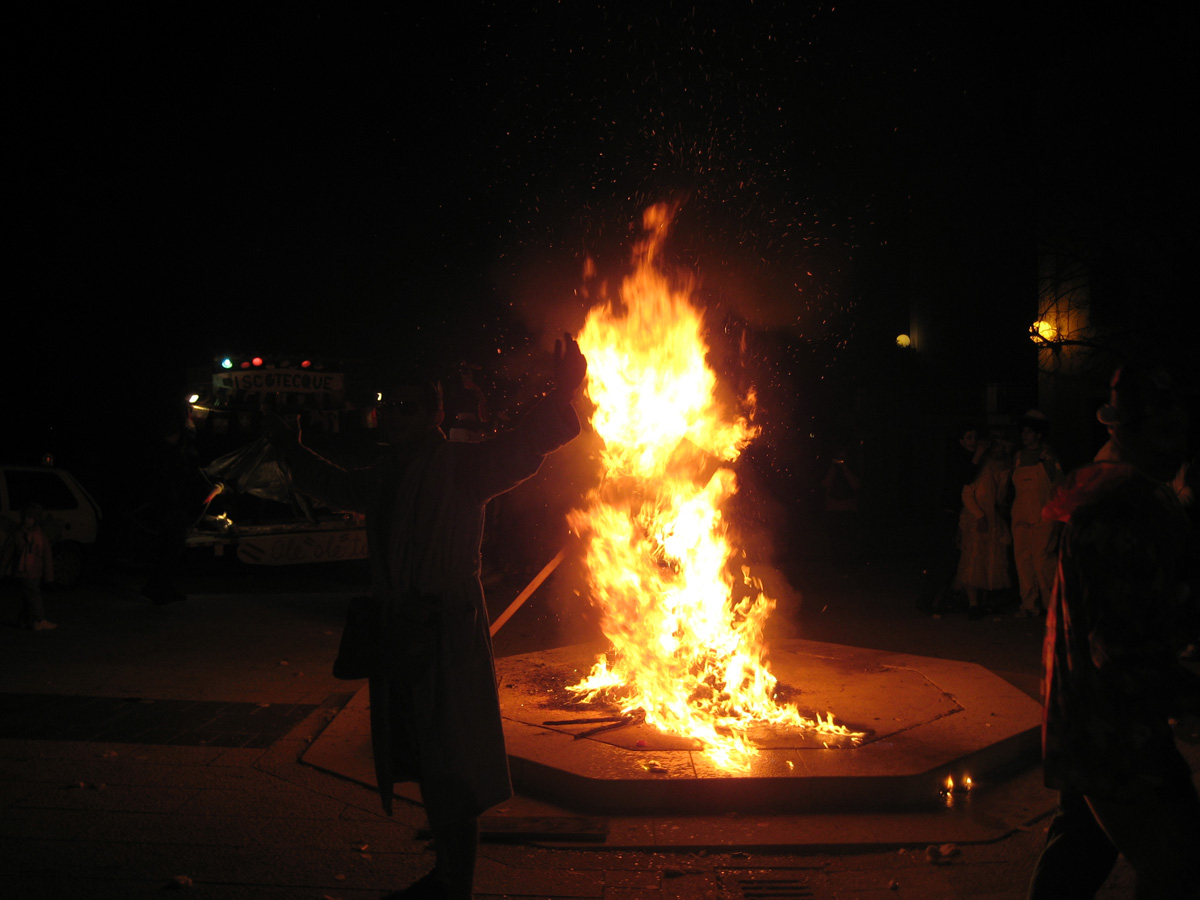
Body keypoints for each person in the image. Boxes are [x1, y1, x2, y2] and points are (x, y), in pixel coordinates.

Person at [267, 335, 587, 900]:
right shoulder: (385, 473)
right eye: (390, 405)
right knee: (420, 753)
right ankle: (443, 872)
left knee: (454, 760)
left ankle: (454, 884)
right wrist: (290, 450)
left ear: (437, 414)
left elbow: (523, 444)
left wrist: (564, 392)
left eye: (410, 406)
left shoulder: (463, 467)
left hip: (446, 631)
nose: (396, 415)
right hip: (399, 631)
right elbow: (334, 484)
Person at [1028, 361, 1200, 899]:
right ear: (1127, 431)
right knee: (1180, 863)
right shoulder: (1120, 512)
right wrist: (1188, 690)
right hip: (1115, 732)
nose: (1178, 444)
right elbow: (1120, 646)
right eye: (1165, 431)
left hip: (1093, 724)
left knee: (1079, 853)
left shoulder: (1132, 498)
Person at [953, 433, 1012, 620]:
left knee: (990, 558)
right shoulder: (981, 467)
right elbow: (967, 493)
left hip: (992, 518)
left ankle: (984, 601)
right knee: (973, 558)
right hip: (976, 518)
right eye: (996, 446)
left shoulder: (1004, 469)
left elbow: (1000, 496)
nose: (998, 450)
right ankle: (973, 603)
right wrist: (979, 515)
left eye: (1002, 447)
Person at [1010, 410, 1061, 618]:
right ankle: (1029, 604)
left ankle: (1052, 606)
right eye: (1023, 431)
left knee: (1043, 561)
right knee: (1023, 559)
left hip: (1044, 514)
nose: (1024, 435)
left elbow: (1059, 484)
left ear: (1038, 434)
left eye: (1029, 432)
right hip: (1021, 513)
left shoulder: (1048, 456)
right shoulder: (1018, 457)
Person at [3, 503, 56, 630]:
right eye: (26, 517)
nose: (27, 520)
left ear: (35, 519)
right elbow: (8, 552)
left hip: (36, 571)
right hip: (23, 571)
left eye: (30, 517)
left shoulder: (40, 535)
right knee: (34, 594)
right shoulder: (18, 534)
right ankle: (39, 620)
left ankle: (23, 619)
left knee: (29, 596)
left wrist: (49, 576)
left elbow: (46, 555)